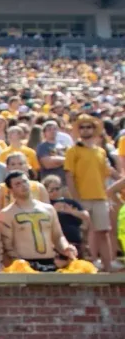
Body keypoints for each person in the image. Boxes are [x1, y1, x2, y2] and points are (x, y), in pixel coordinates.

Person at [64, 116, 117, 271]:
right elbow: (69, 176)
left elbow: (107, 174)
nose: (85, 129)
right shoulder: (72, 151)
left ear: (95, 129)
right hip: (82, 197)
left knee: (104, 232)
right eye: (82, 127)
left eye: (89, 127)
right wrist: (76, 199)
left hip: (100, 197)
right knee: (83, 235)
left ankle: (107, 267)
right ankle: (86, 266)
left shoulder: (101, 151)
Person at [0, 171, 77, 272]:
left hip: (49, 262)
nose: (23, 186)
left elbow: (58, 236)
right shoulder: (7, 213)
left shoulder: (48, 209)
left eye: (25, 181)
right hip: (24, 264)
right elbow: (7, 245)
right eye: (18, 184)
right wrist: (17, 265)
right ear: (11, 190)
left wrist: (66, 248)